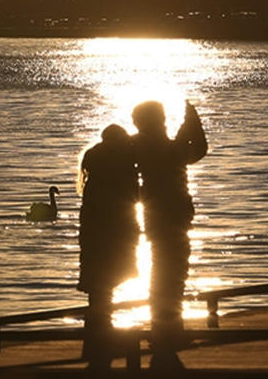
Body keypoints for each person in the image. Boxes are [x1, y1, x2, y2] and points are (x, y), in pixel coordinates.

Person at [131, 100, 207, 350]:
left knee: (164, 272)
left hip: (157, 216)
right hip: (172, 215)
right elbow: (196, 150)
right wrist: (191, 122)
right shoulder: (160, 146)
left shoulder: (139, 145)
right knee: (171, 273)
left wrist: (188, 124)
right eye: (162, 117)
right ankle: (168, 329)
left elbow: (187, 148)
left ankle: (164, 327)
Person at [76, 124, 140, 367]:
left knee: (99, 286)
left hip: (94, 233)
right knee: (107, 283)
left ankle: (96, 339)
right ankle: (102, 339)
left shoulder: (96, 163)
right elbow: (134, 195)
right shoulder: (119, 164)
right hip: (115, 231)